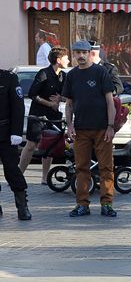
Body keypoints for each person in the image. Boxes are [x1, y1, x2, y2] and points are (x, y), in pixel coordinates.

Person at [63, 41, 117, 218]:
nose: (80, 55)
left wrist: (111, 126)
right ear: (74, 54)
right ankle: (82, 204)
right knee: (82, 168)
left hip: (102, 128)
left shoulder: (100, 72)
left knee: (106, 168)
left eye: (83, 52)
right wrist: (69, 125)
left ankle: (107, 204)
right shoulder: (71, 76)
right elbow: (69, 104)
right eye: (77, 52)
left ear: (90, 53)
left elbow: (110, 101)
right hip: (80, 130)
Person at [20, 47, 69, 184]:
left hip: (54, 115)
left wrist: (60, 98)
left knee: (50, 145)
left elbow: (66, 95)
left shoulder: (63, 76)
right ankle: (18, 175)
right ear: (58, 60)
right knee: (31, 144)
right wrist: (49, 103)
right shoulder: (44, 73)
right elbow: (32, 94)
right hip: (38, 114)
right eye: (66, 58)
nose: (69, 60)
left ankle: (44, 177)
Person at [0, 69, 31, 220]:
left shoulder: (8, 78)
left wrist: (16, 132)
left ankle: (22, 207)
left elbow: (18, 107)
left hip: (5, 134)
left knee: (12, 170)